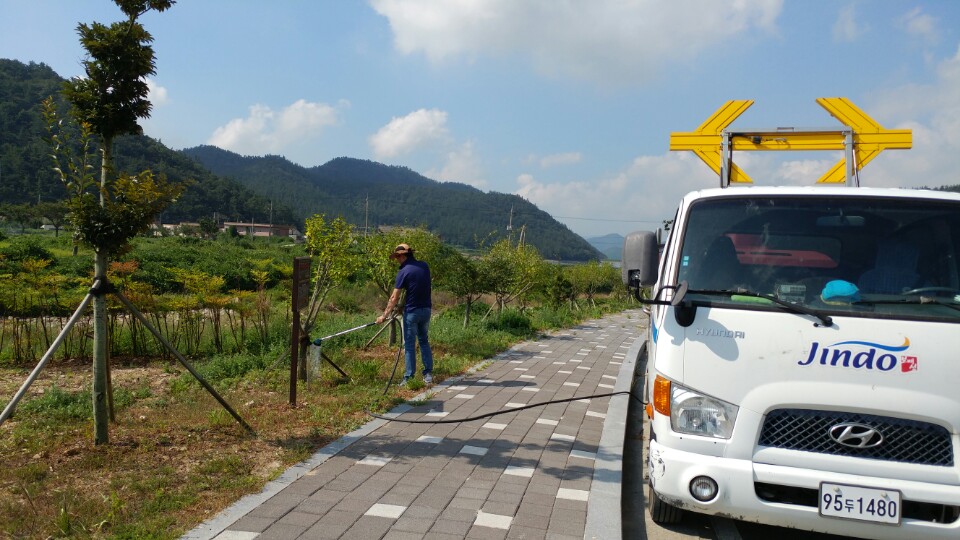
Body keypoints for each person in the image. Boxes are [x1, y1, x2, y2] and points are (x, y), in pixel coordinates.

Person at [376, 243, 433, 385]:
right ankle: (428, 375)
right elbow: (417, 287)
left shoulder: (404, 271)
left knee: (409, 345)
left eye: (397, 257)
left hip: (412, 312)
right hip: (426, 310)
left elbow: (394, 297)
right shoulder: (424, 266)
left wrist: (384, 315)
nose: (396, 260)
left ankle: (408, 377)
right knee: (424, 341)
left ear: (402, 256)